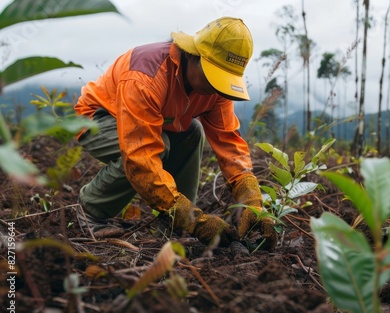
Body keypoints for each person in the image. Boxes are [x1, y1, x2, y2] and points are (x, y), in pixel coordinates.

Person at [74, 17, 277, 250]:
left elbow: (229, 142)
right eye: (212, 77)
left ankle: (172, 223)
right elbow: (138, 154)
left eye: (221, 81)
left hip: (154, 125)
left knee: (193, 131)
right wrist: (194, 220)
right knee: (159, 148)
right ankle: (90, 210)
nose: (214, 88)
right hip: (98, 118)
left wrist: (252, 203)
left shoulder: (216, 91)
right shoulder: (146, 76)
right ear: (193, 55)